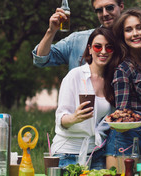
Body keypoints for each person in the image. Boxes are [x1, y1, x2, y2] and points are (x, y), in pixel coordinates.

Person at [51, 27, 120, 169]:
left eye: (109, 48)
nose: (103, 51)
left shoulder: (112, 81)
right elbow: (61, 119)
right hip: (68, 153)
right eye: (97, 46)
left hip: (96, 153)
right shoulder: (75, 76)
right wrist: (74, 117)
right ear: (89, 49)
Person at [105, 8, 141, 168]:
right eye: (128, 30)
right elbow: (121, 115)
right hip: (127, 137)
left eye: (139, 27)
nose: (135, 33)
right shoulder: (123, 70)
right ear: (122, 36)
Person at [32, 0, 124, 71]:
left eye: (110, 8)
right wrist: (51, 31)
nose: (105, 14)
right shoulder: (78, 40)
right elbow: (41, 60)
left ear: (121, 7)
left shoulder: (132, 41)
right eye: (99, 10)